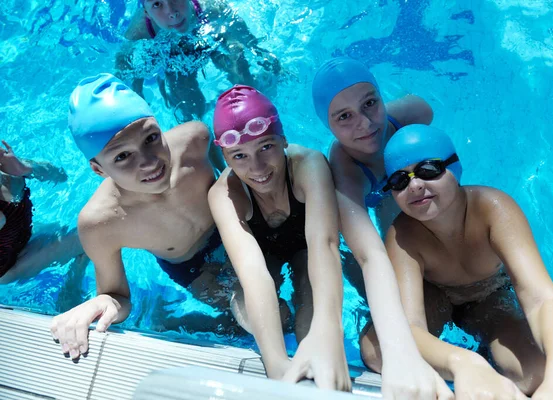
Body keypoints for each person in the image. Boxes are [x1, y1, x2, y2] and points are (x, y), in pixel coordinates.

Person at [381, 124, 553, 399]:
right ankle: (475, 361)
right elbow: (409, 326)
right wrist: (464, 364)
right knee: (376, 350)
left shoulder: (493, 209)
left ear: (454, 168)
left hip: (488, 298)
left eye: (428, 169)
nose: (416, 185)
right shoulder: (402, 236)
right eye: (400, 180)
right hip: (433, 298)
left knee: (534, 373)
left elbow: (541, 298)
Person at [50, 73, 233, 359]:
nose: (148, 162)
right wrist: (100, 303)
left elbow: (229, 175)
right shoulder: (100, 223)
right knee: (261, 318)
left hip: (232, 226)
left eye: (151, 138)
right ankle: (171, 323)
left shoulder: (195, 139)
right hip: (194, 266)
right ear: (99, 169)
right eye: (122, 157)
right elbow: (118, 297)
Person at [312, 57, 452, 399]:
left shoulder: (412, 115)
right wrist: (399, 351)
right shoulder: (344, 169)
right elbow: (369, 253)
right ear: (327, 126)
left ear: (381, 97)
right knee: (374, 347)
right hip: (396, 232)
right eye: (343, 117)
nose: (365, 124)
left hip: (434, 228)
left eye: (370, 103)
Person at [208, 85, 351, 391]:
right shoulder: (224, 194)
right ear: (225, 157)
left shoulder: (308, 165)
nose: (257, 167)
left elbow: (324, 245)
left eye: (266, 147)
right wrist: (275, 365)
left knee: (311, 300)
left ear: (283, 139)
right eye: (239, 155)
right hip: (264, 257)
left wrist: (327, 335)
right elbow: (254, 274)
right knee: (245, 306)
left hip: (307, 248)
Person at [116, 0, 281, 122]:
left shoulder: (209, 6)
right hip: (172, 56)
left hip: (209, 39)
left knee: (238, 58)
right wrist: (136, 96)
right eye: (158, 4)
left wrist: (258, 51)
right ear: (146, 13)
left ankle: (254, 114)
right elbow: (123, 65)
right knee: (188, 107)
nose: (172, 12)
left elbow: (240, 30)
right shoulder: (139, 30)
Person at [0, 141, 85, 284]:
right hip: (9, 268)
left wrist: (25, 169)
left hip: (21, 236)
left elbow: (60, 176)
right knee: (88, 236)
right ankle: (72, 287)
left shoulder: (7, 166)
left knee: (66, 227)